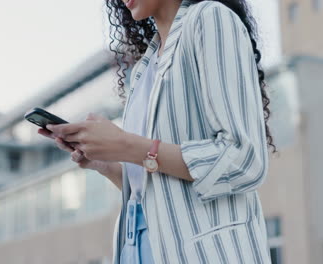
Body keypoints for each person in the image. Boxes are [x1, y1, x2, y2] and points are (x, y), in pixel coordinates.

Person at [39, 0, 277, 263]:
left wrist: (126, 145)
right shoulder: (145, 67)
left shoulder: (210, 19)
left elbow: (244, 160)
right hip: (136, 246)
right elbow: (158, 186)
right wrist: (106, 163)